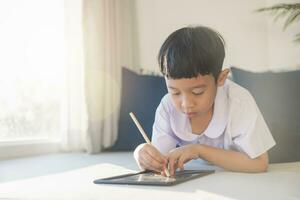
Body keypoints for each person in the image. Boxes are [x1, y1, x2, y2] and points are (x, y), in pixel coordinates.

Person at [133, 25, 276, 176]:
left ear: (221, 78)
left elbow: (259, 163)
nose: (186, 104)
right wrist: (141, 154)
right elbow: (160, 160)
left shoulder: (239, 102)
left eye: (197, 92)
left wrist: (198, 150)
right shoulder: (167, 106)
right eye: (175, 92)